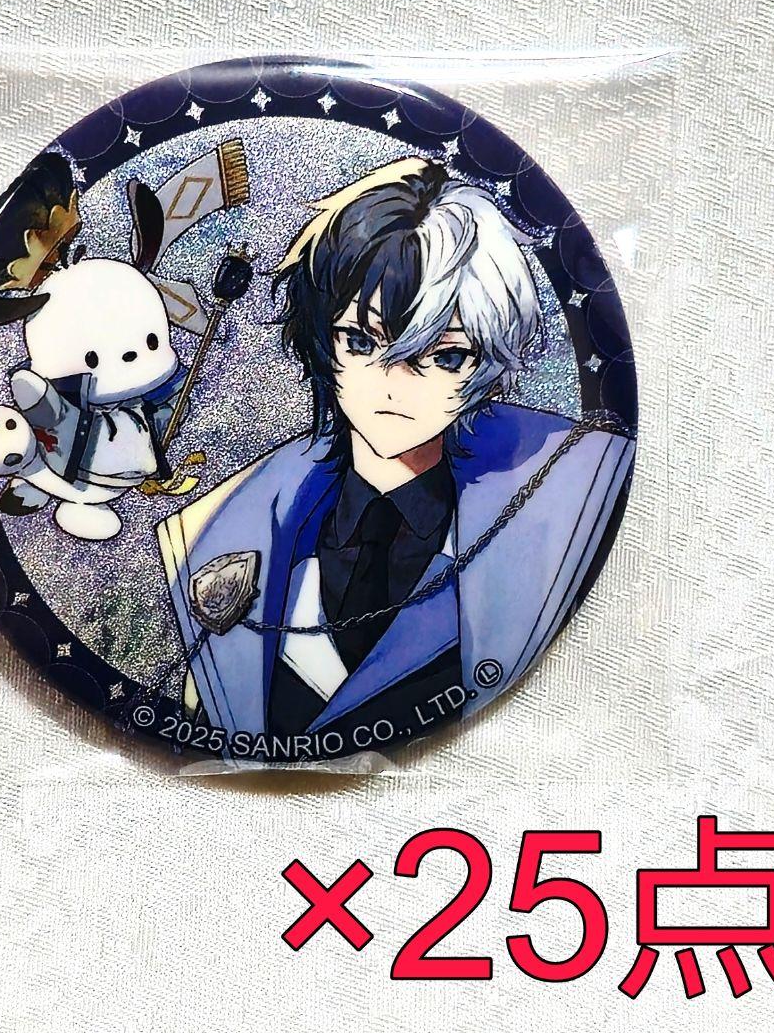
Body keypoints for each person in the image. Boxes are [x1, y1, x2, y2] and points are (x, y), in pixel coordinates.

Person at [156, 157, 634, 760]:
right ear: (321, 340)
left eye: (446, 355)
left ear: (488, 364)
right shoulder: (233, 528)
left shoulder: (566, 501)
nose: (394, 384)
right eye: (361, 342)